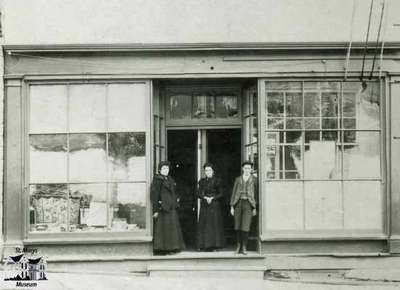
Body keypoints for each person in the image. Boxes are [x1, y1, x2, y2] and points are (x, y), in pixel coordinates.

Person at [150, 161, 185, 255]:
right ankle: (163, 249)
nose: (166, 170)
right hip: (163, 208)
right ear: (160, 170)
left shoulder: (170, 179)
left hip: (171, 207)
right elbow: (154, 196)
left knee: (172, 229)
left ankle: (173, 248)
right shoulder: (157, 180)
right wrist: (156, 210)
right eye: (164, 169)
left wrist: (177, 199)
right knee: (163, 229)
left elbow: (174, 192)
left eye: (167, 168)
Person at [230, 161, 257, 255]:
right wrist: (232, 206)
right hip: (238, 203)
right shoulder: (238, 179)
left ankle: (244, 247)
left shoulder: (254, 179)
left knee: (245, 226)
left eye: (249, 168)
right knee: (237, 225)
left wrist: (255, 207)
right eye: (245, 168)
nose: (247, 170)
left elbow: (256, 194)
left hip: (248, 204)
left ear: (251, 170)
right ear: (242, 169)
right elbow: (234, 193)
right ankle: (238, 246)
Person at [196, 163, 225, 251]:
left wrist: (212, 198)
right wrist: (204, 197)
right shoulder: (202, 181)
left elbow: (221, 193)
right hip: (205, 205)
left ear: (213, 171)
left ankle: (215, 245)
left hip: (214, 205)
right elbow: (198, 193)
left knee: (214, 225)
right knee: (204, 225)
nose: (207, 172)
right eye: (206, 170)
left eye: (209, 170)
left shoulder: (217, 181)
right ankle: (204, 245)